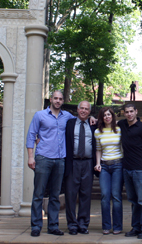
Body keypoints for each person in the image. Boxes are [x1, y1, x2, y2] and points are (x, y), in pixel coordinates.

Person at [26, 91, 75, 237]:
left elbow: (80, 120)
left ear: (63, 101)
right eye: (56, 98)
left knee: (55, 195)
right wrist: (30, 157)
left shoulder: (67, 116)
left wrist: (92, 118)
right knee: (38, 194)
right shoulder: (39, 115)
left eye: (60, 99)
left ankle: (53, 226)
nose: (58, 101)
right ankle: (36, 226)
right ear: (51, 99)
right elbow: (31, 135)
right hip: (43, 158)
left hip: (60, 160)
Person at [118, 103, 142, 239]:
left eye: (131, 111)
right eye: (127, 112)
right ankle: (137, 227)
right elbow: (108, 121)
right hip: (126, 169)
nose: (129, 114)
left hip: (140, 170)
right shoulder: (122, 124)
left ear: (136, 111)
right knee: (133, 201)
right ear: (124, 113)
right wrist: (93, 118)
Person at [64, 101, 97, 235]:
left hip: (88, 163)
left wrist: (95, 118)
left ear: (90, 111)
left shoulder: (93, 124)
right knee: (71, 194)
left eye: (86, 109)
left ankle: (83, 223)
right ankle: (72, 224)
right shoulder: (69, 123)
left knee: (86, 194)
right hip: (73, 163)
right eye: (81, 108)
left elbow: (109, 119)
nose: (83, 111)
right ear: (77, 110)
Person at [94, 107, 123, 235]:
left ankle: (117, 226)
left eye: (109, 114)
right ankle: (106, 225)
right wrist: (98, 164)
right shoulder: (97, 132)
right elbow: (98, 149)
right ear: (101, 117)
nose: (107, 117)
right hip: (104, 167)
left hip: (118, 165)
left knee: (116, 196)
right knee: (105, 196)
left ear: (112, 116)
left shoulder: (119, 130)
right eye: (104, 115)